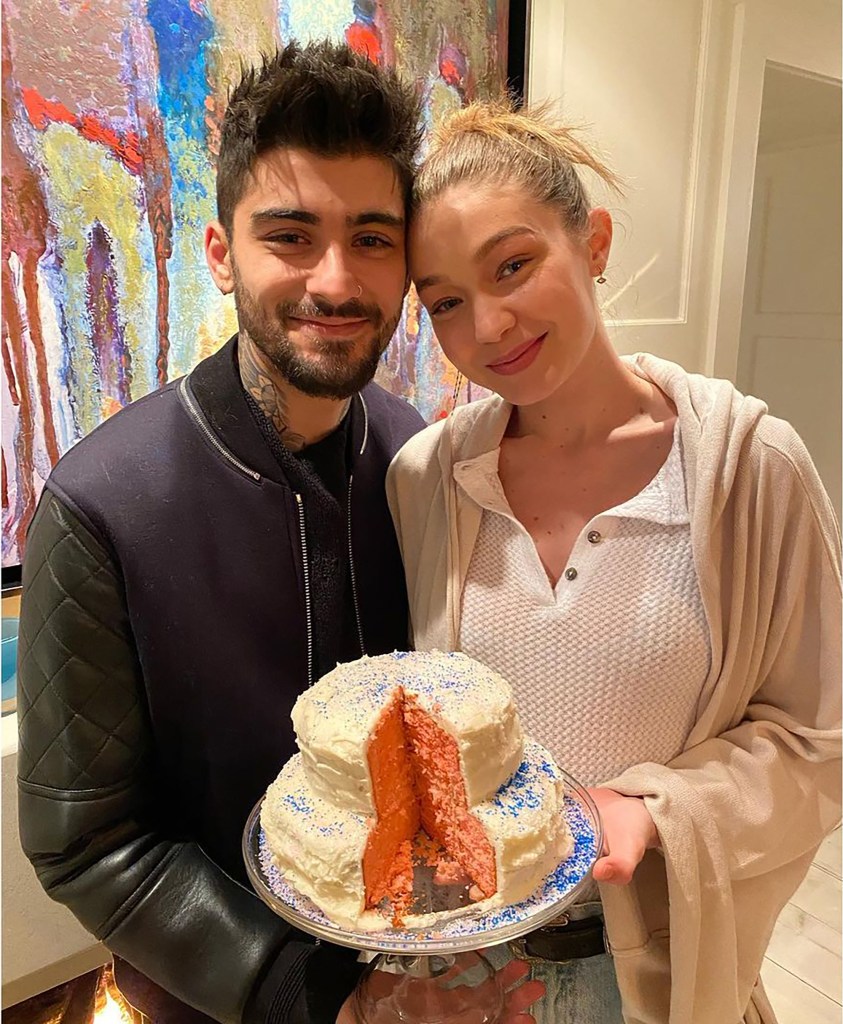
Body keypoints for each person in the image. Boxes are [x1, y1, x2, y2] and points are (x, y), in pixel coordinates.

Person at [387, 99, 842, 1024]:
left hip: (659, 973)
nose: (488, 323)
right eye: (444, 302)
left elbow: (819, 744)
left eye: (513, 265)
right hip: (466, 965)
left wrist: (651, 806)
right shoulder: (428, 481)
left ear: (590, 240)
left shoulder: (745, 472)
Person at [17, 40, 433, 1024]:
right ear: (220, 253)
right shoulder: (100, 506)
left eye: (373, 238)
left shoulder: (422, 461)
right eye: (290, 235)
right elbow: (83, 841)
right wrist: (309, 994)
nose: (336, 280)